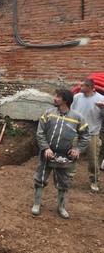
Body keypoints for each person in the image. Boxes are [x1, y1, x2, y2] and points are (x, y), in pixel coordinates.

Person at [32, 88, 90, 219]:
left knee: (63, 182)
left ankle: (61, 207)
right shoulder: (49, 114)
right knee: (39, 179)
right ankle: (37, 204)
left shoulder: (77, 118)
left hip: (64, 156)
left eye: (57, 97)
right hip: (47, 154)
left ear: (65, 101)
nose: (54, 98)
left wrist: (78, 150)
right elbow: (40, 132)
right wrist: (45, 148)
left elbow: (85, 136)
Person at [70, 78, 104, 193]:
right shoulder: (77, 97)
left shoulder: (101, 99)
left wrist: (103, 108)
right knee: (71, 155)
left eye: (82, 86)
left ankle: (93, 181)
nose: (80, 88)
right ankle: (69, 177)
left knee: (93, 159)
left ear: (89, 87)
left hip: (92, 134)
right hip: (75, 131)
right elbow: (71, 112)